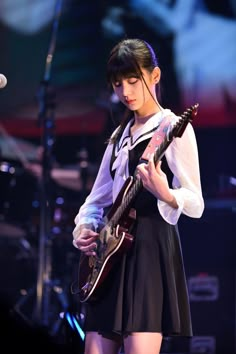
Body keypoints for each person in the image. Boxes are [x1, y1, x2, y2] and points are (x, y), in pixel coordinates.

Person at [72, 38, 204, 354]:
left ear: (155, 76)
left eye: (134, 81)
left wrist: (166, 193)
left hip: (149, 252)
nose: (126, 92)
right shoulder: (119, 135)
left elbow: (196, 202)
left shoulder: (172, 126)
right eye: (118, 85)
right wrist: (84, 229)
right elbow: (96, 198)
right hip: (110, 256)